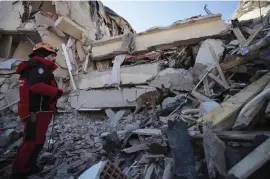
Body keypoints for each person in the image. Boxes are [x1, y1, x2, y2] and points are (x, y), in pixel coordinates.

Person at [11, 42, 65, 179]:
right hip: (36, 112)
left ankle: (30, 166)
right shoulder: (38, 68)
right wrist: (57, 91)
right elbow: (36, 86)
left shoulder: (34, 67)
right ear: (45, 55)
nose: (54, 58)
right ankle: (19, 172)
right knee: (30, 141)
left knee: (38, 140)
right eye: (53, 55)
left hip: (39, 111)